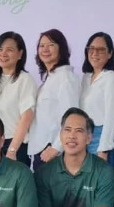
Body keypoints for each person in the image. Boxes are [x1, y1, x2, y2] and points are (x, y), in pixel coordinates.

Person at [28, 29, 81, 168]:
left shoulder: (66, 78)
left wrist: (56, 147)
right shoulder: (50, 78)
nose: (45, 49)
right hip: (42, 149)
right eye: (41, 45)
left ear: (61, 49)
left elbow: (71, 117)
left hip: (53, 152)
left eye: (50, 45)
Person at [0, 31, 35, 166]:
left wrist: (12, 149)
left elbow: (26, 117)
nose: (3, 54)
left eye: (9, 50)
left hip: (14, 145)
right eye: (0, 49)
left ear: (20, 54)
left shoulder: (25, 80)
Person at [80, 32, 114, 166]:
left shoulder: (111, 77)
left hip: (100, 136)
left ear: (110, 54)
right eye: (91, 49)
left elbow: (111, 115)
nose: (95, 53)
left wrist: (103, 148)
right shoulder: (85, 77)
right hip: (83, 136)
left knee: (99, 182)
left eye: (101, 49)